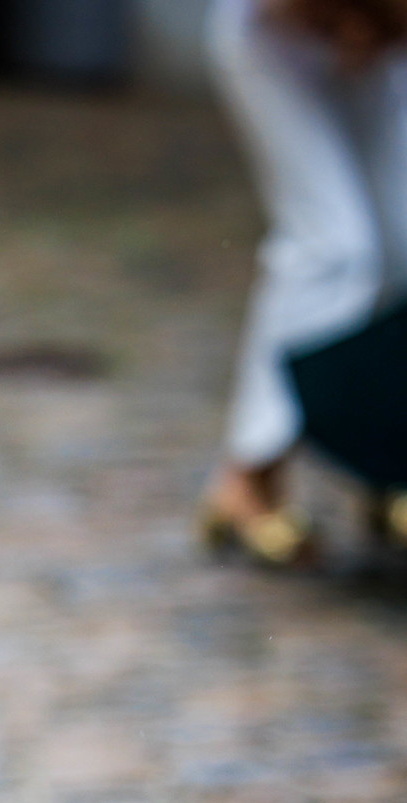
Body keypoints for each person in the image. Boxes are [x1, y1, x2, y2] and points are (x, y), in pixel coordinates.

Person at [201, 0, 407, 563]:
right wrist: (357, 23)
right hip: (278, 35)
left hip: (379, 38)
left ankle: (387, 470)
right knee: (332, 248)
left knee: (402, 242)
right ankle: (248, 475)